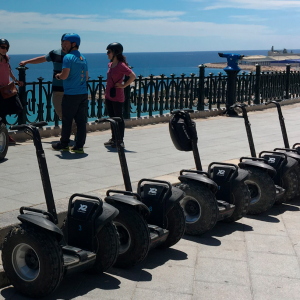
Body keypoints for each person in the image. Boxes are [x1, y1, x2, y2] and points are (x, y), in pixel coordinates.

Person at [19, 34, 77, 138]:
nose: (64, 44)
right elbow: (42, 59)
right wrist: (27, 62)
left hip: (71, 89)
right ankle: (72, 134)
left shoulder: (75, 55)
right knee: (60, 112)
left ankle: (72, 135)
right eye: (63, 42)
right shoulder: (55, 53)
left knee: (69, 114)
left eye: (66, 42)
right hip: (58, 89)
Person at [51, 33, 88, 154]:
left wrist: (58, 76)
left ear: (73, 44)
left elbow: (65, 75)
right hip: (83, 94)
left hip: (71, 94)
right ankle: (79, 146)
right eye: (62, 44)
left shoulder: (68, 58)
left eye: (65, 43)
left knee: (67, 120)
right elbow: (86, 77)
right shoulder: (83, 58)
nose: (63, 46)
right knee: (81, 121)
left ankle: (64, 144)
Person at [104, 42, 136, 148]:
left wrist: (123, 86)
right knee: (112, 118)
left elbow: (132, 76)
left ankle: (119, 140)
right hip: (109, 95)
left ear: (115, 52)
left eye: (109, 51)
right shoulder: (110, 64)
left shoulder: (121, 65)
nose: (107, 53)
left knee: (118, 119)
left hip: (117, 96)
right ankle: (113, 138)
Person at [0, 38, 24, 144]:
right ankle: (5, 136)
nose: (5, 49)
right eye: (2, 47)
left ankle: (5, 134)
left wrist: (15, 80)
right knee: (1, 114)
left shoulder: (6, 58)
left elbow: (8, 71)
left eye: (6, 48)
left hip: (6, 89)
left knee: (14, 108)